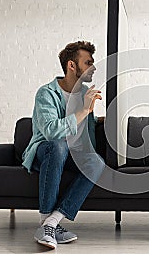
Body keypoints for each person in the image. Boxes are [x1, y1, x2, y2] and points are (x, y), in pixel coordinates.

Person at [22, 41, 104, 249]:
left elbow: (85, 130)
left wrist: (96, 120)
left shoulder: (85, 93)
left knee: (96, 162)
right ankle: (45, 221)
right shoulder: (46, 93)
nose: (93, 67)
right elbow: (51, 132)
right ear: (71, 66)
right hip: (47, 152)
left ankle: (52, 222)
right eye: (88, 63)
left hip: (73, 154)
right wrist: (84, 111)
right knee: (59, 146)